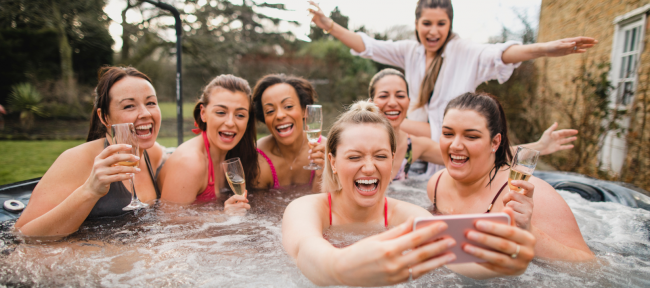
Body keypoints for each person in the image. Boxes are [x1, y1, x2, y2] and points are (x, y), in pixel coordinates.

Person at [310, 0, 595, 174]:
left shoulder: (465, 52)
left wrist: (544, 49)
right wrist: (330, 26)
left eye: (440, 24)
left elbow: (502, 54)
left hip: (445, 138)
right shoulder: (410, 51)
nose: (433, 31)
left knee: (471, 151)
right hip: (419, 148)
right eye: (427, 23)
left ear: (450, 24)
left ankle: (534, 148)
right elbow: (367, 45)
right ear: (416, 23)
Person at [282, 101, 537, 286]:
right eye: (354, 156)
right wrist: (339, 267)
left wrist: (503, 254)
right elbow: (306, 252)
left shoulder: (406, 215)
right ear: (333, 162)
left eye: (380, 156)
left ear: (393, 160)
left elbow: (454, 253)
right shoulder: (306, 209)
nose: (369, 167)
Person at [428, 92, 594, 261]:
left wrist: (528, 232)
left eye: (471, 136)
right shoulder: (437, 184)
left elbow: (591, 267)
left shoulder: (530, 196)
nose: (455, 145)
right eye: (448, 134)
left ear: (495, 142)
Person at [15, 66, 165, 236]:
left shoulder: (154, 155)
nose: (145, 113)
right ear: (104, 117)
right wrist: (90, 191)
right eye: (129, 106)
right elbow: (21, 235)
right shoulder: (77, 160)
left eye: (151, 103)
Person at [368, 68, 578, 180]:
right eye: (384, 95)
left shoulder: (415, 146)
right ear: (370, 102)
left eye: (400, 95)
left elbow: (484, 154)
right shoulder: (355, 140)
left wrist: (539, 147)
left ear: (408, 102)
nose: (393, 102)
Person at [158, 75, 257, 211]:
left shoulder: (237, 155)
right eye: (221, 112)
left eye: (240, 115)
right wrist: (222, 218)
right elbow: (167, 223)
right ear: (203, 113)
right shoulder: (189, 163)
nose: (230, 122)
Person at [252, 74, 326, 191]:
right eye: (270, 111)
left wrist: (321, 174)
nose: (280, 115)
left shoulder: (326, 150)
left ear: (304, 110)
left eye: (288, 106)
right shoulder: (259, 159)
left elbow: (325, 203)